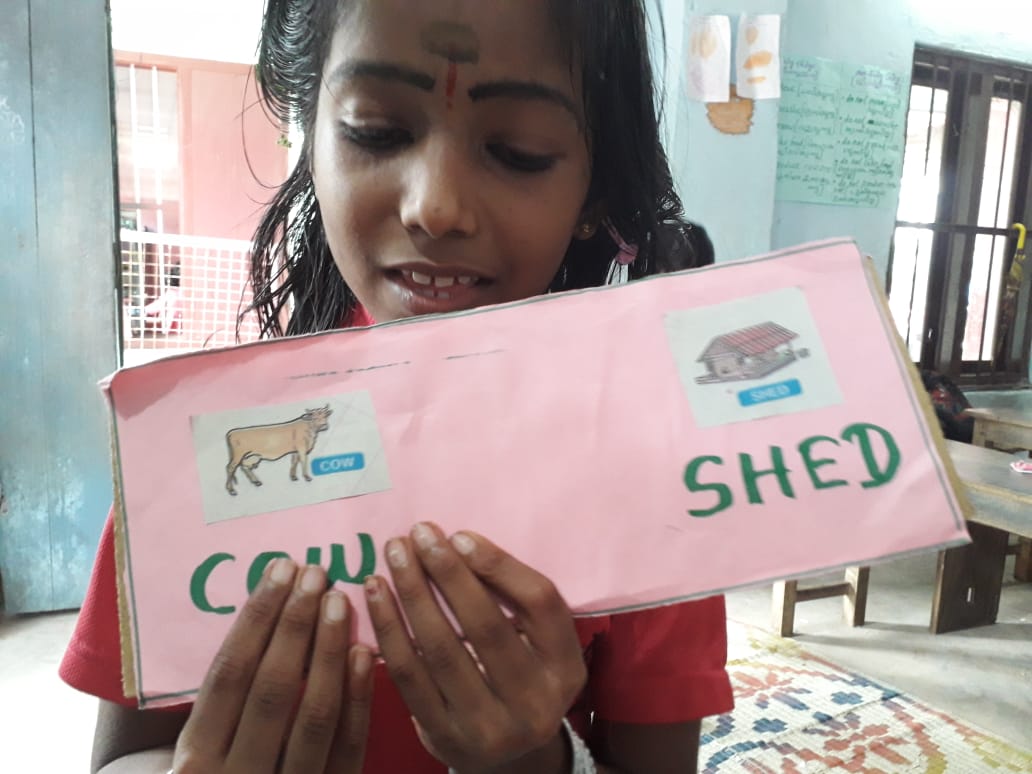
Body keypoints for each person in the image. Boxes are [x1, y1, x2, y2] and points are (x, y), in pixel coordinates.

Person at [61, 1, 733, 772]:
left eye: (517, 152)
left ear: (596, 192)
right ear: (310, 134)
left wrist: (535, 763)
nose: (435, 207)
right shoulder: (200, 451)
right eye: (376, 132)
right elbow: (123, 756)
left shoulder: (648, 479)